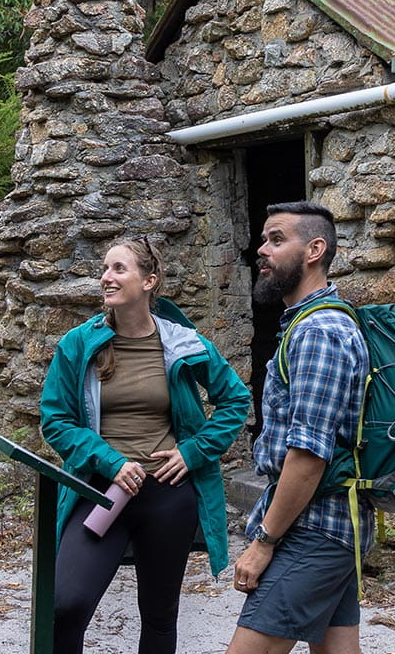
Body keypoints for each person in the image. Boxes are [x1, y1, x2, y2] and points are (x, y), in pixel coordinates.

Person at [38, 236, 250, 654]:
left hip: (167, 497)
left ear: (149, 281)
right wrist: (109, 460)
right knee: (65, 605)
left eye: (119, 269)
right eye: (105, 269)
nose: (106, 277)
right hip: (99, 492)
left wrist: (192, 452)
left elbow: (236, 399)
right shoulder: (79, 344)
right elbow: (55, 421)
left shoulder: (182, 342)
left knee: (158, 616)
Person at [227, 202, 371, 654]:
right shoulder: (314, 323)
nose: (261, 250)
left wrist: (264, 542)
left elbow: (308, 456)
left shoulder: (318, 332)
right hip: (333, 527)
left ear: (315, 249)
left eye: (276, 239)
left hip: (313, 530)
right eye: (263, 239)